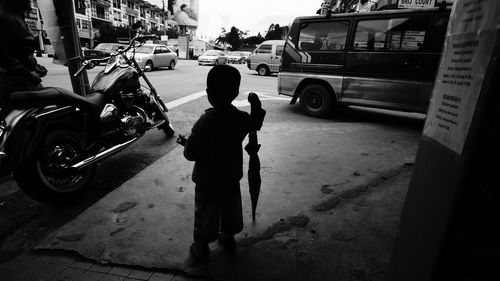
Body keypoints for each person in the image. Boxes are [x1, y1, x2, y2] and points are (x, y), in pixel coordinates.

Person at [178, 65, 265, 262]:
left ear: (209, 93)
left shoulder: (206, 121)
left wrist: (186, 144)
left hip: (207, 180)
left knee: (206, 213)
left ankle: (202, 247)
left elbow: (192, 153)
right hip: (231, 175)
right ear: (235, 92)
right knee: (230, 209)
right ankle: (228, 238)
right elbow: (254, 124)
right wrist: (256, 108)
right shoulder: (240, 118)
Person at [0, 0, 43, 111]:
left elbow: (22, 51)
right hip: (14, 83)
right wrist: (27, 73)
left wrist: (35, 66)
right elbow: (3, 56)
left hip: (25, 80)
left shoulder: (19, 19)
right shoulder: (5, 18)